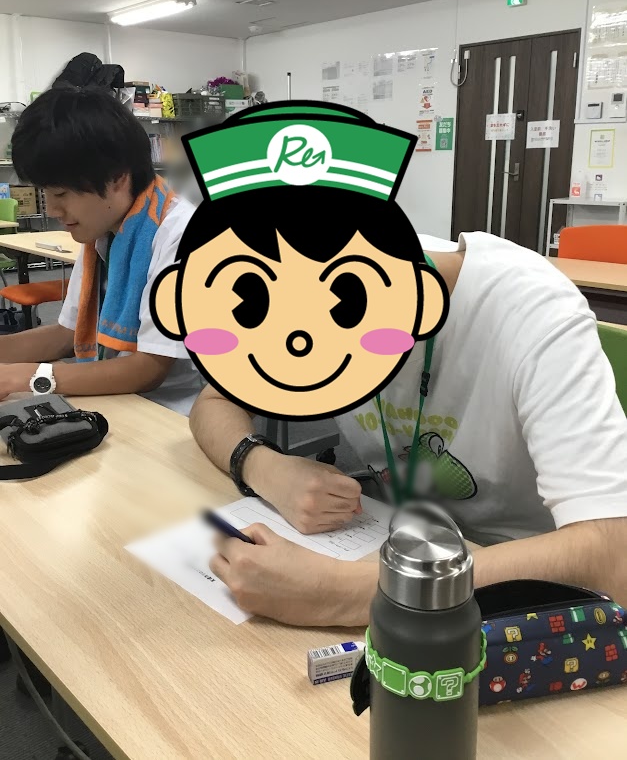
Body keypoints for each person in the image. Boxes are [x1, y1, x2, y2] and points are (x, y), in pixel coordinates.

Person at [190, 230, 627, 626]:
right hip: (388, 540)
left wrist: (342, 594)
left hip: (521, 581)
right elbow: (212, 404)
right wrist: (267, 468)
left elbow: (612, 554)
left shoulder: (533, 310)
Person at [1, 86, 204, 416]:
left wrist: (25, 377)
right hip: (115, 401)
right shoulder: (102, 231)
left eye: (61, 194)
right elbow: (68, 334)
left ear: (117, 178)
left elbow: (148, 369)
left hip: (171, 415)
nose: (52, 209)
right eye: (45, 193)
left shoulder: (181, 234)